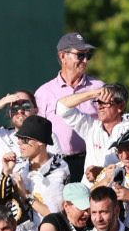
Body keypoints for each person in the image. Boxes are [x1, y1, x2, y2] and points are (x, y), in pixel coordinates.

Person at [35, 32, 104, 180]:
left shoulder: (98, 87)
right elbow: (38, 134)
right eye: (80, 55)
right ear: (62, 56)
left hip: (90, 162)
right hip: (56, 164)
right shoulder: (44, 92)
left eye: (88, 56)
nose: (85, 60)